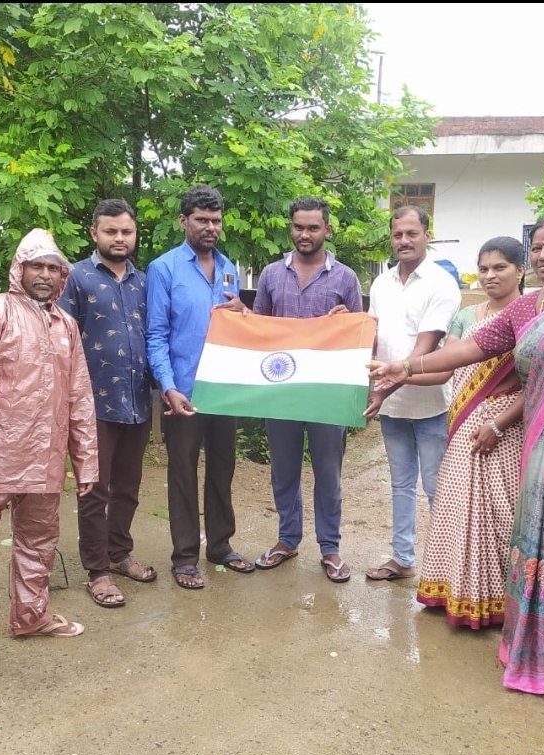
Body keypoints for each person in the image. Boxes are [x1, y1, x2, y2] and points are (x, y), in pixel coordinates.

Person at [370, 214, 544, 703]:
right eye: (538, 247)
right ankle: (539, 648)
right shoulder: (525, 310)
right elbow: (469, 349)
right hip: (541, 441)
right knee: (539, 541)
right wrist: (406, 366)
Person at [0, 229, 99, 682]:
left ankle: (33, 617)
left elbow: (79, 396)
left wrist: (85, 460)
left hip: (46, 459)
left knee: (39, 544)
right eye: (37, 266)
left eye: (53, 268)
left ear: (62, 276)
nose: (45, 275)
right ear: (19, 269)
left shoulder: (65, 325)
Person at [146, 184, 253, 590]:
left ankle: (221, 546)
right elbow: (156, 335)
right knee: (183, 474)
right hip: (183, 393)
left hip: (223, 390)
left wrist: (245, 311)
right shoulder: (165, 268)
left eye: (216, 221)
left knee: (223, 469)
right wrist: (168, 388)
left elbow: (239, 326)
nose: (210, 228)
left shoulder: (229, 268)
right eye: (202, 220)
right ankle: (185, 556)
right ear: (184, 221)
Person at [251, 196, 363, 582]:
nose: (305, 234)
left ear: (327, 230)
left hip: (326, 394)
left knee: (328, 474)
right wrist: (240, 319)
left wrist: (346, 323)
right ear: (291, 227)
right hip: (281, 392)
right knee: (283, 471)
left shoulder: (346, 278)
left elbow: (359, 339)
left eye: (313, 227)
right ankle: (287, 539)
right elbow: (260, 332)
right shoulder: (270, 275)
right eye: (298, 226)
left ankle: (330, 549)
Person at [415, 237, 526, 628]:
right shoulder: (467, 316)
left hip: (506, 429)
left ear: (520, 270)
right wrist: (396, 375)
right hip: (464, 423)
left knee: (500, 512)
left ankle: (500, 600)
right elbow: (448, 367)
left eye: (500, 268)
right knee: (458, 507)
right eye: (484, 268)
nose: (490, 275)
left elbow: (538, 384)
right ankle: (457, 590)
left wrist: (498, 423)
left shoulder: (531, 315)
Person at [59, 199, 156, 609]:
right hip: (92, 403)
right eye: (111, 231)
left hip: (136, 400)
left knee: (128, 488)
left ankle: (119, 554)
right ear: (94, 233)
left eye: (126, 232)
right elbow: (61, 339)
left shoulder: (144, 280)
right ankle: (97, 570)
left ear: (135, 234)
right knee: (94, 489)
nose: (120, 238)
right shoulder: (76, 278)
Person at [363, 205, 461, 582]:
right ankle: (403, 559)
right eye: (397, 234)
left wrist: (385, 386)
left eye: (411, 233)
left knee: (437, 486)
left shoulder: (441, 283)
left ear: (427, 235)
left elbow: (425, 348)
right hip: (392, 405)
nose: (403, 241)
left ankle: (445, 569)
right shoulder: (381, 282)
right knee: (401, 484)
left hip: (430, 403)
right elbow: (372, 335)